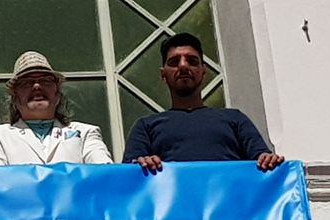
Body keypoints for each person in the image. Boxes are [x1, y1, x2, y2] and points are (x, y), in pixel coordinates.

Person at [122, 33, 285, 175]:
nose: (183, 66)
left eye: (192, 61)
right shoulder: (145, 127)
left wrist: (268, 160)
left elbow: (264, 163)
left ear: (203, 71)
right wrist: (143, 165)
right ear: (163, 74)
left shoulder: (234, 119)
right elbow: (128, 177)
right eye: (174, 62)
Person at [0, 52, 112, 166]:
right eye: (26, 82)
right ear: (15, 98)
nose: (36, 86)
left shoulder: (86, 133)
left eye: (45, 81)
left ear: (58, 94)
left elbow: (105, 173)